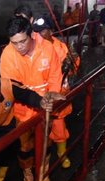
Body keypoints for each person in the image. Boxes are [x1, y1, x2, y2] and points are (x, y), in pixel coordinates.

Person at [0, 17, 62, 181]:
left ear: (32, 35)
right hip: (22, 110)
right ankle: (28, 174)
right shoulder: (7, 55)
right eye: (14, 43)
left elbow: (55, 77)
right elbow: (13, 88)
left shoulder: (48, 48)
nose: (19, 47)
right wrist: (36, 99)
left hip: (46, 107)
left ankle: (43, 169)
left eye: (22, 41)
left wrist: (51, 98)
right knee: (24, 146)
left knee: (46, 141)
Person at [33, 15, 79, 170]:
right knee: (41, 131)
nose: (39, 34)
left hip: (58, 94)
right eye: (36, 31)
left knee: (59, 128)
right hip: (41, 96)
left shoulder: (61, 47)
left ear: (51, 30)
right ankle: (43, 161)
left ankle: (62, 153)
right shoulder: (34, 48)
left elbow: (73, 70)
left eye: (43, 30)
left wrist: (72, 63)